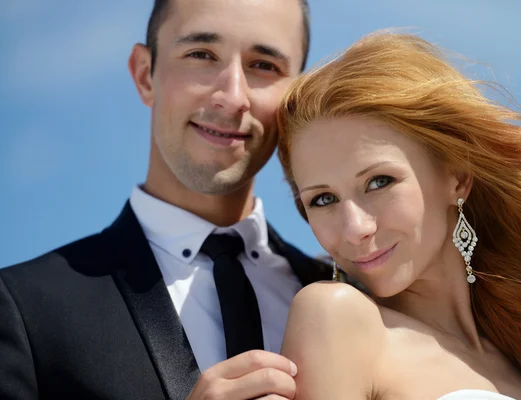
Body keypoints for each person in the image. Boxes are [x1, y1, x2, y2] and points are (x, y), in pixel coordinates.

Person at [0, 0, 331, 399]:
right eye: (201, 54)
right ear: (144, 75)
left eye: (264, 65)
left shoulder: (351, 296)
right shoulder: (22, 307)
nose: (233, 96)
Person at [276, 31, 521, 399]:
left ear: (457, 178)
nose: (355, 229)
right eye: (322, 200)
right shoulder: (335, 318)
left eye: (379, 182)